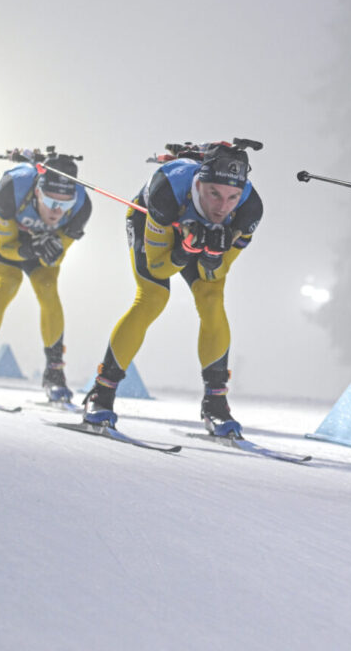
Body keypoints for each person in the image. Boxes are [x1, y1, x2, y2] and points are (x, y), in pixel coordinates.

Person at [80, 141, 262, 434]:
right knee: (153, 297)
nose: (221, 207)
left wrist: (213, 256)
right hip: (152, 221)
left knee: (211, 298)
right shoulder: (167, 189)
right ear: (199, 182)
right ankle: (102, 393)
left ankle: (215, 404)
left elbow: (213, 276)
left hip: (191, 237)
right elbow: (158, 267)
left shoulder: (250, 210)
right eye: (214, 193)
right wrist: (186, 251)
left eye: (232, 197)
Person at [0, 152, 92, 402]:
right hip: (1, 228)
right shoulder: (12, 190)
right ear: (38, 192)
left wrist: (49, 249)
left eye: (64, 205)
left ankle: (55, 373)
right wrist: (32, 248)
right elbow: (5, 248)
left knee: (48, 287)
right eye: (52, 202)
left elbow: (56, 258)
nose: (57, 212)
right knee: (7, 283)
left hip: (34, 237)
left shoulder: (82, 207)